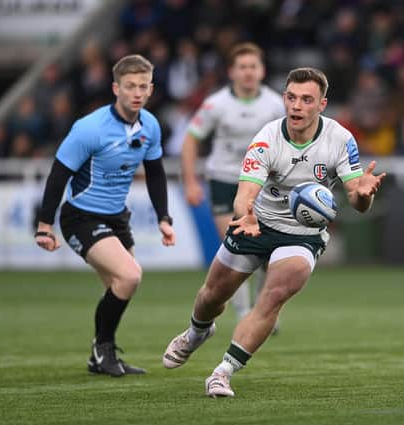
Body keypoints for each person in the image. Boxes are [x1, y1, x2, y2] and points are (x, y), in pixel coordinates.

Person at [162, 67, 386, 397]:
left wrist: (363, 195)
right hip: (259, 221)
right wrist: (247, 216)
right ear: (284, 99)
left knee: (274, 295)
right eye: (292, 98)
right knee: (213, 294)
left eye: (306, 100)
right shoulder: (267, 137)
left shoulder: (340, 139)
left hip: (302, 234)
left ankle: (223, 372)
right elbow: (244, 195)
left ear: (321, 105)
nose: (297, 106)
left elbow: (356, 199)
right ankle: (197, 332)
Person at [35, 54, 176, 377]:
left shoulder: (150, 126)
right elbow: (58, 175)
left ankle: (101, 355)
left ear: (151, 89)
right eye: (130, 86)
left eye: (143, 86)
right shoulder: (90, 128)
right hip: (80, 217)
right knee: (130, 276)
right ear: (116, 88)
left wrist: (164, 218)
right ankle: (103, 350)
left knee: (118, 284)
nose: (136, 93)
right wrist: (44, 226)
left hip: (116, 218)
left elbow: (155, 173)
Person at [182, 42, 284, 324]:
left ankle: (263, 308)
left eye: (253, 66)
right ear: (232, 72)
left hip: (261, 184)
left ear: (262, 70)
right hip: (225, 180)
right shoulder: (216, 104)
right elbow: (190, 140)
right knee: (234, 245)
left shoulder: (276, 105)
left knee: (268, 250)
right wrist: (191, 181)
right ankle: (243, 312)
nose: (248, 72)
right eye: (243, 67)